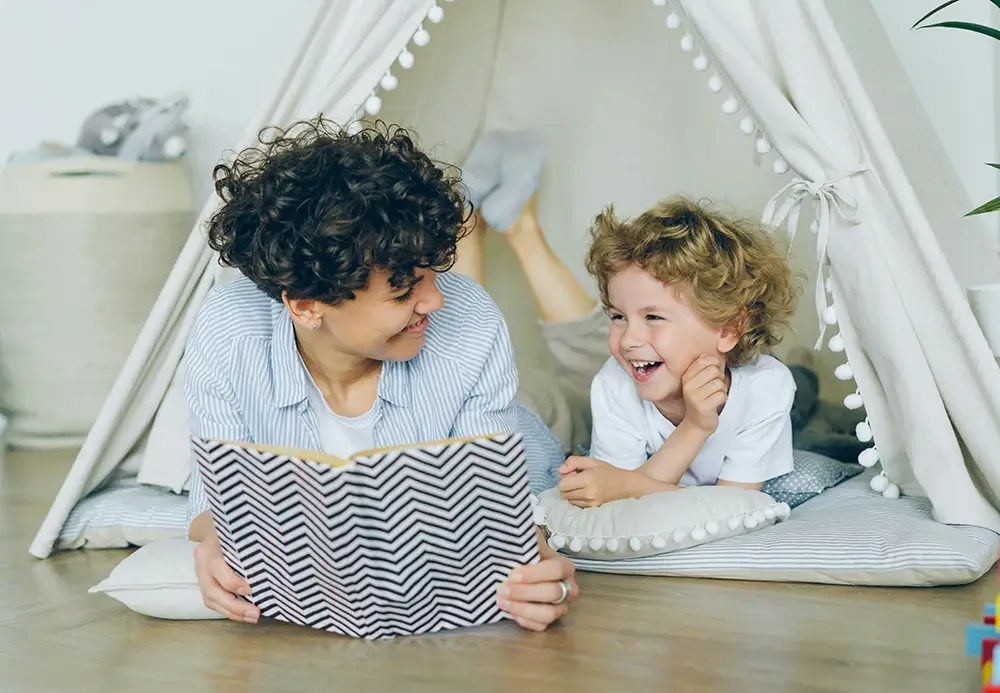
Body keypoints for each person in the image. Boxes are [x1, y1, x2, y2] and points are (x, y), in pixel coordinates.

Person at [183, 118, 590, 633]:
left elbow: (496, 508)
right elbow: (213, 499)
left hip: (531, 429)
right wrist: (218, 539)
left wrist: (539, 570)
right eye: (403, 291)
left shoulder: (469, 319)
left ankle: (511, 225)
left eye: (433, 271)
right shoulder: (228, 329)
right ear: (307, 306)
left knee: (583, 399)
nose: (436, 299)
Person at [555, 197, 800, 508]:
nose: (629, 339)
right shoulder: (613, 384)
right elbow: (619, 505)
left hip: (770, 385)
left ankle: (803, 366)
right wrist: (694, 427)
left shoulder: (766, 387)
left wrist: (627, 485)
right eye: (618, 316)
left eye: (653, 317)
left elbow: (736, 508)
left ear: (727, 329)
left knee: (800, 395)